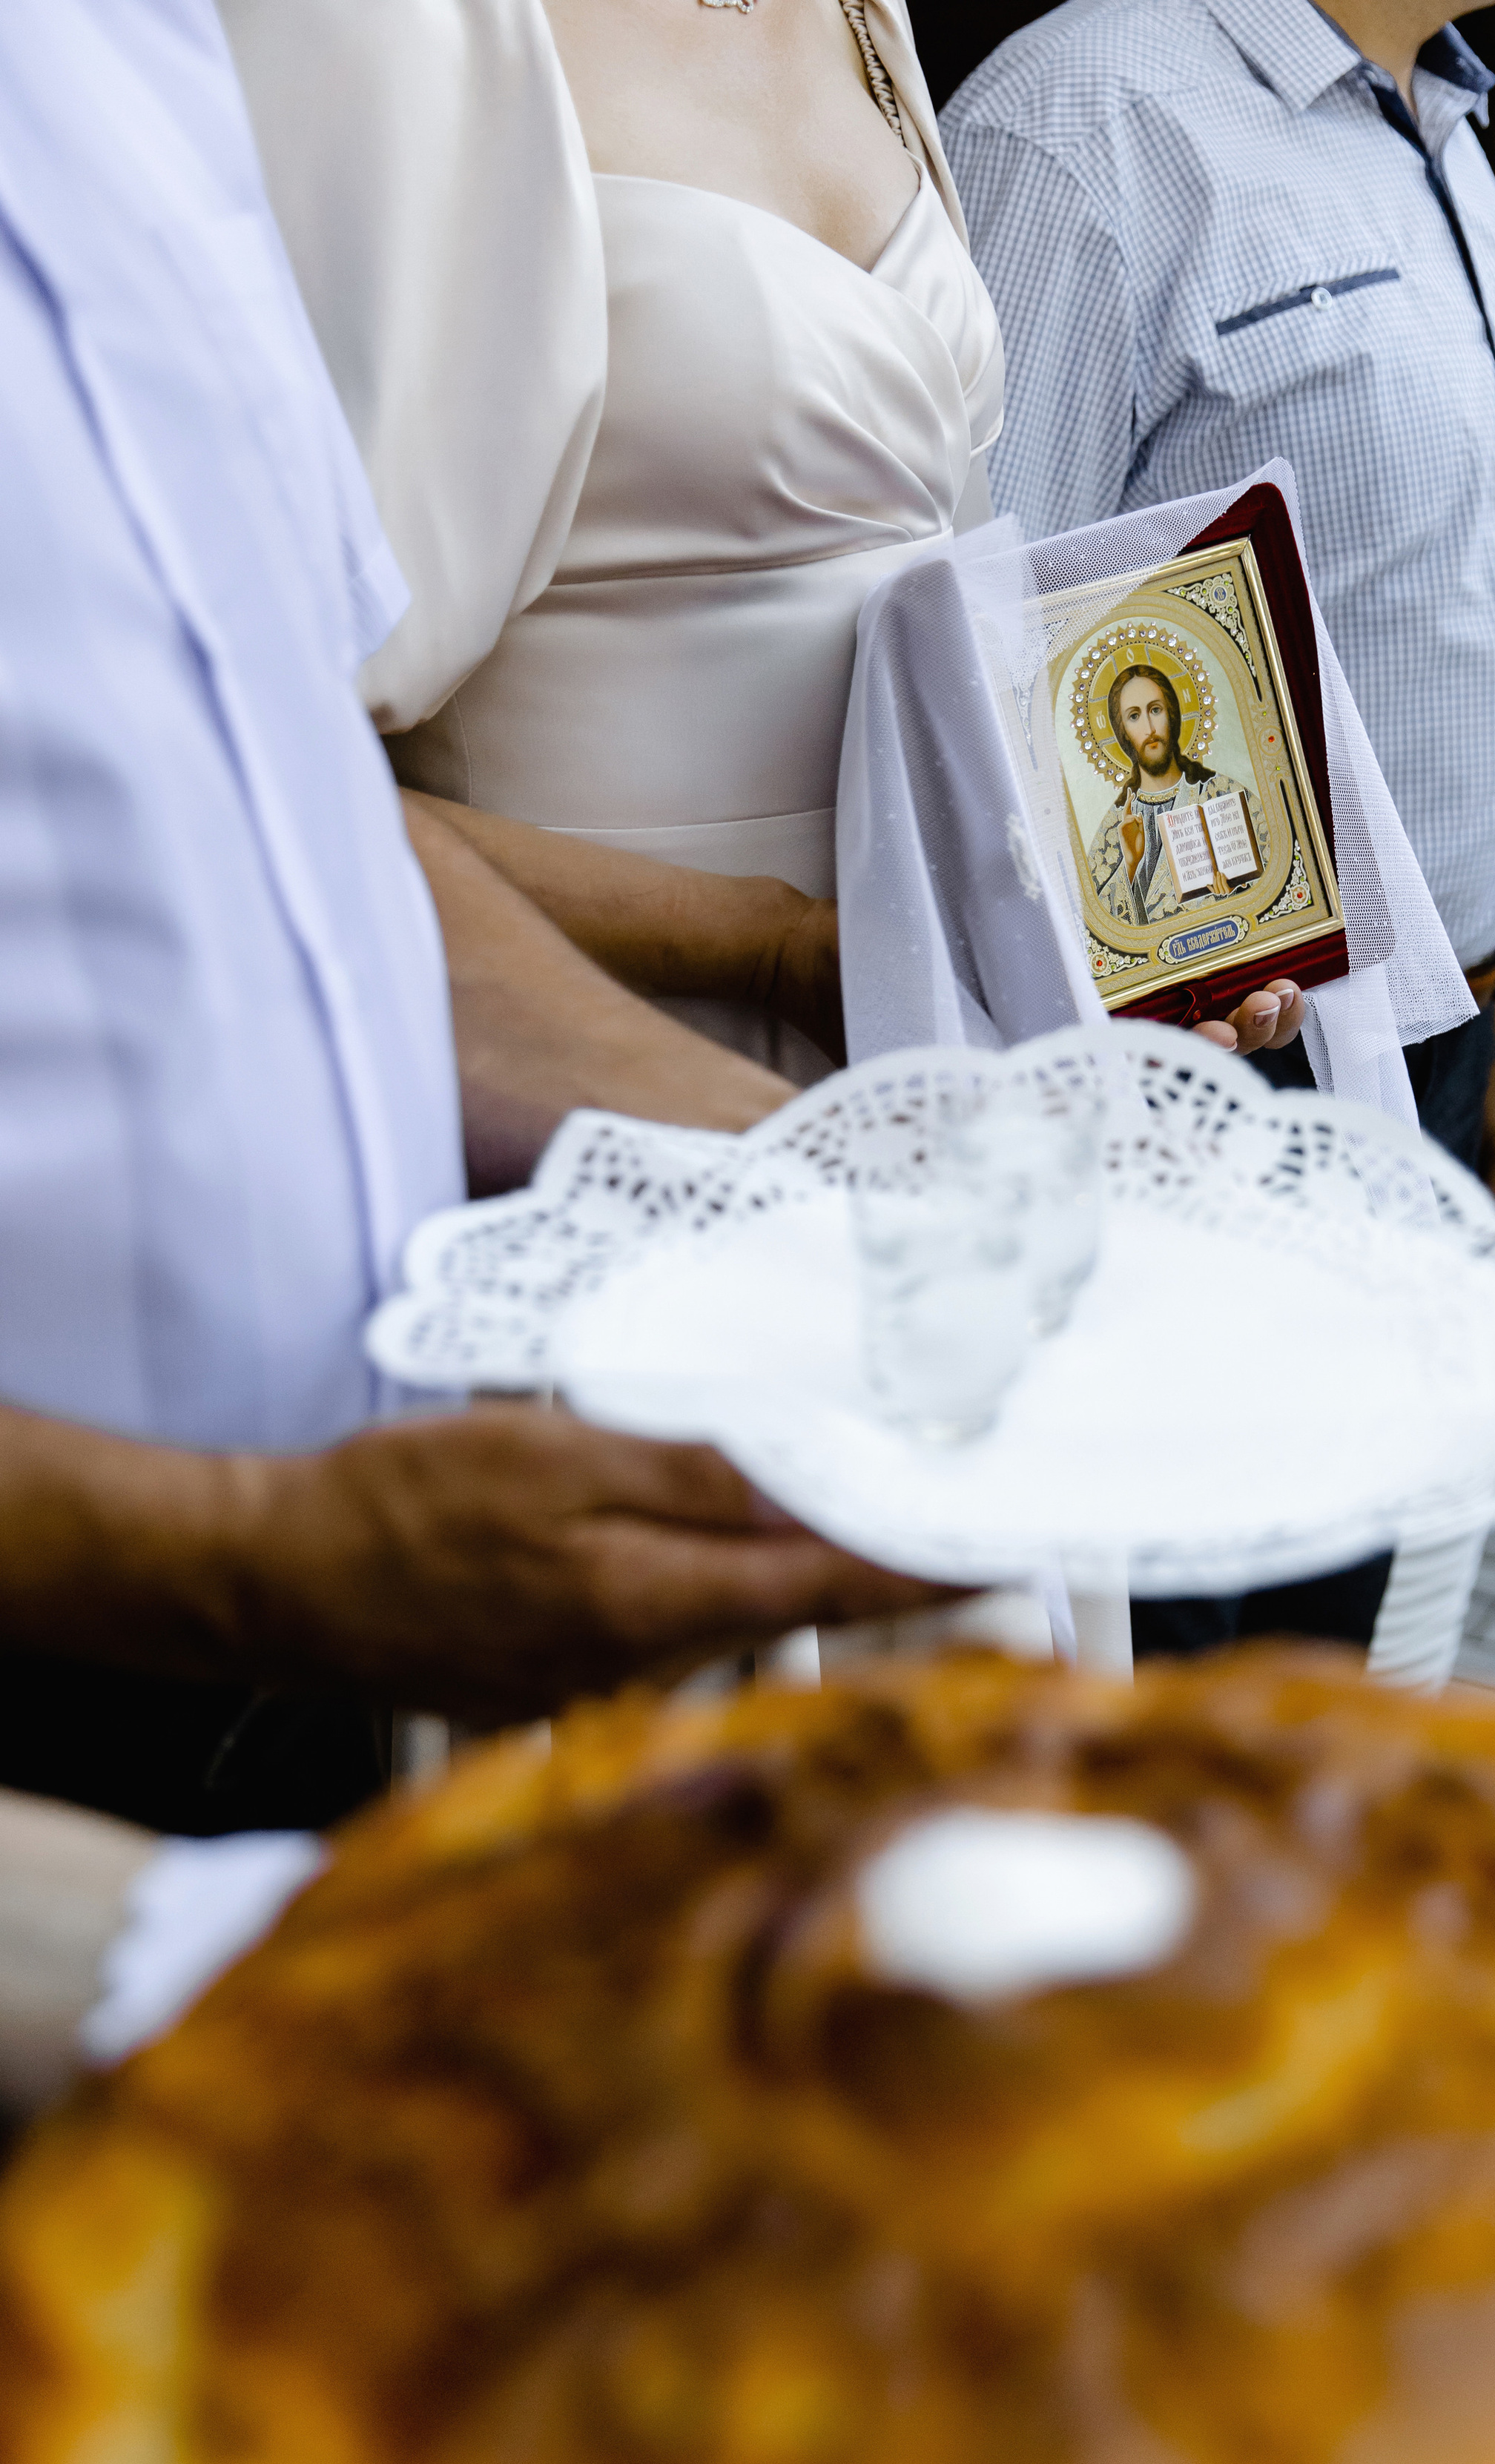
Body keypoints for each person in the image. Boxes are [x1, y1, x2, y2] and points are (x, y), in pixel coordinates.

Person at [0, 0, 938, 1846]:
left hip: (321, 1609)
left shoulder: (135, 59)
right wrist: (244, 1553)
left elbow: (307, 823)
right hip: (116, 1606)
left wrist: (826, 1184)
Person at [211, 0, 1305, 1070]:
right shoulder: (370, 24)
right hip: (606, 1040)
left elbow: (937, 588)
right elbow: (245, 750)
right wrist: (770, 948)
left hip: (944, 1033)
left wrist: (1142, 926)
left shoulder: (859, 13)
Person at [943, 0, 1495, 1217]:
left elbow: (1428, 626)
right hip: (1229, 1064)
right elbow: (967, 659)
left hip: (1449, 1041)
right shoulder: (1084, 125)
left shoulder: (1441, 123)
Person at [1088, 664, 1264, 927]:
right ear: (1121, 730)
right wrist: (1131, 866)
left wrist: (1231, 898)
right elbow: (1103, 928)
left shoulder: (1221, 792)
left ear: (1171, 714)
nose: (1150, 728)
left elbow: (1269, 885)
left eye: (1155, 710)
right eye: (1134, 716)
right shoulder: (1112, 830)